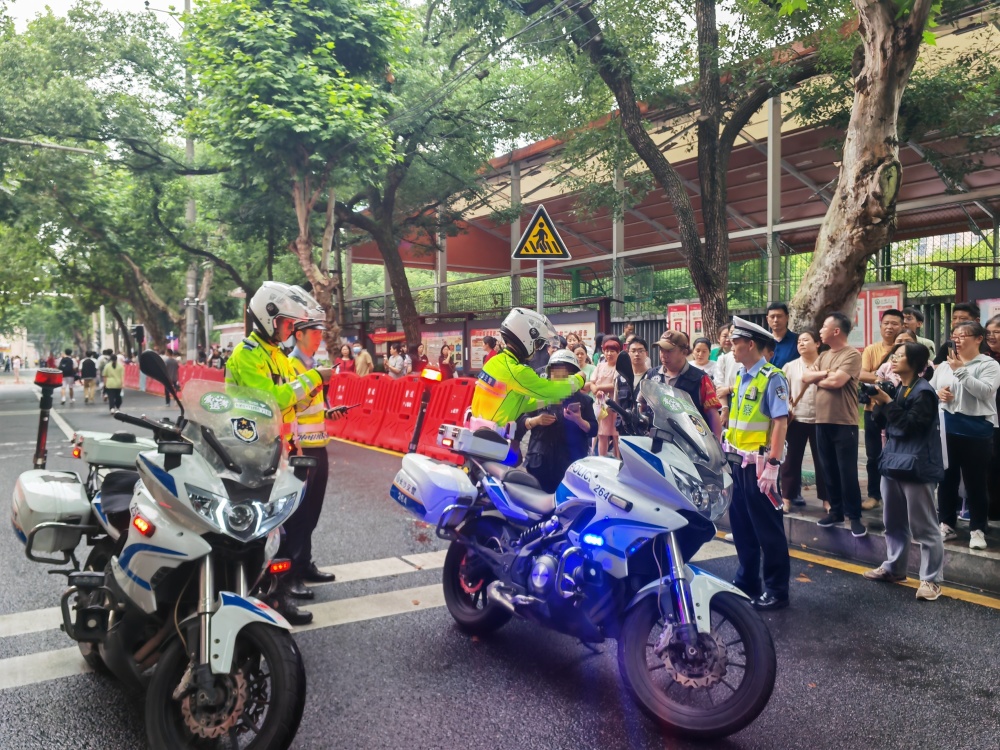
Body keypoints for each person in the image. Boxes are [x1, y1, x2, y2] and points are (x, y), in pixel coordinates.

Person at [225, 281, 335, 625]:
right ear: (268, 317)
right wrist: (313, 377)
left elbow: (293, 400)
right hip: (250, 453)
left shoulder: (276, 355)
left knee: (279, 526)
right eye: (287, 324)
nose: (290, 330)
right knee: (270, 529)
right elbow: (270, 399)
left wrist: (317, 387)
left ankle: (275, 591)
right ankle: (273, 595)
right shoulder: (247, 354)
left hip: (278, 453)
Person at [865, 342, 946, 600]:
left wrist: (888, 403)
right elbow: (883, 421)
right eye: (894, 355)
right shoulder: (898, 388)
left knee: (924, 526)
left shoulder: (924, 392)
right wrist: (878, 403)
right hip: (893, 463)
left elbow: (911, 426)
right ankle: (894, 568)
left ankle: (931, 580)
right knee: (893, 522)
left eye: (900, 356)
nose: (894, 359)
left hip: (917, 465)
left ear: (915, 363)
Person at [724, 317, 791, 611]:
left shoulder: (772, 377)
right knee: (742, 527)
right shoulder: (741, 376)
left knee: (768, 529)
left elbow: (780, 422)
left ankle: (776, 589)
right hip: (739, 462)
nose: (732, 345)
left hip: (761, 465)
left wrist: (774, 465)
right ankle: (747, 579)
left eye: (736, 341)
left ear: (751, 344)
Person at [285, 317, 343, 601]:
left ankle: (305, 563)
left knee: (313, 510)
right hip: (299, 449)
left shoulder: (311, 365)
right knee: (299, 513)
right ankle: (291, 574)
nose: (319, 338)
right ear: (298, 335)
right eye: (315, 334)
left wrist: (330, 410)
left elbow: (313, 405)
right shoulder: (291, 365)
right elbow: (292, 402)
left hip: (318, 444)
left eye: (321, 333)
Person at [931, 320, 1000, 550]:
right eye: (955, 336)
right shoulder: (944, 365)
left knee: (976, 482)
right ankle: (947, 524)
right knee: (946, 479)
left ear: (978, 339)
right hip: (947, 429)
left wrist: (960, 370)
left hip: (976, 431)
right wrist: (939, 393)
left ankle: (978, 528)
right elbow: (930, 389)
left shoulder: (988, 364)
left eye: (963, 336)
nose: (957, 340)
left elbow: (985, 391)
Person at [802, 312, 867, 537]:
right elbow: (805, 377)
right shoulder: (824, 355)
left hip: (844, 422)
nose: (820, 330)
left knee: (847, 471)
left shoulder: (852, 355)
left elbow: (837, 382)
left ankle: (855, 516)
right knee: (827, 468)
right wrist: (826, 374)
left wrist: (821, 377)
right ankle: (836, 512)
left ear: (836, 331)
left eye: (824, 326)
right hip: (822, 420)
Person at [469, 307, 586, 430]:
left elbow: (522, 403)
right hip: (490, 438)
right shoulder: (517, 371)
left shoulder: (495, 362)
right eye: (538, 343)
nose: (537, 348)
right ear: (526, 338)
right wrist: (578, 379)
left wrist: (550, 398)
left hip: (479, 432)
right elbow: (549, 389)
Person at [514, 350, 598, 492]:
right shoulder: (539, 397)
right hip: (540, 464)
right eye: (555, 371)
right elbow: (520, 422)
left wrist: (579, 420)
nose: (559, 376)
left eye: (564, 372)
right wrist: (536, 421)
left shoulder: (583, 400)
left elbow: (594, 429)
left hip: (571, 465)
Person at [860, 308, 905, 511]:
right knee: (873, 454)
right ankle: (873, 494)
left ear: (902, 326)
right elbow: (861, 373)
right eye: (886, 323)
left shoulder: (909, 349)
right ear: (880, 326)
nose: (890, 327)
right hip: (874, 409)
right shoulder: (872, 350)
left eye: (894, 323)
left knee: (900, 452)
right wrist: (882, 379)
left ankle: (898, 495)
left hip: (899, 409)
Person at [780, 331, 828, 513]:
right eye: (799, 341)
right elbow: (783, 392)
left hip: (821, 419)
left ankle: (827, 499)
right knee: (791, 461)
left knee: (823, 461)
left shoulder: (826, 365)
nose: (801, 344)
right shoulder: (790, 367)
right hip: (796, 419)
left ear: (817, 343)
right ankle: (787, 498)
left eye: (806, 340)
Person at [642, 331, 722, 439]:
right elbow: (642, 405)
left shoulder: (700, 379)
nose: (663, 355)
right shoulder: (652, 375)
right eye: (661, 350)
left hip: (691, 445)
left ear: (684, 352)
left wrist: (717, 445)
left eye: (669, 351)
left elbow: (713, 415)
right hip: (657, 442)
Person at [587, 335, 627, 457]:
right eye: (607, 350)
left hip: (614, 405)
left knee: (616, 435)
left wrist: (598, 388)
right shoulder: (600, 365)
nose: (609, 354)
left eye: (612, 351)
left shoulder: (620, 367)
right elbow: (591, 382)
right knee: (602, 434)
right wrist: (595, 391)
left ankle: (618, 459)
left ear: (618, 352)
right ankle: (601, 459)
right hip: (600, 405)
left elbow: (615, 384)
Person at [986, 315, 1000, 523]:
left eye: (996, 331)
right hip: (990, 421)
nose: (991, 336)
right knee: (992, 466)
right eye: (988, 332)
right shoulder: (984, 358)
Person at [766, 302, 800, 369]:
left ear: (787, 317)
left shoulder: (798, 341)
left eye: (779, 316)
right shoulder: (763, 342)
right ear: (767, 319)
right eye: (772, 317)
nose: (775, 320)